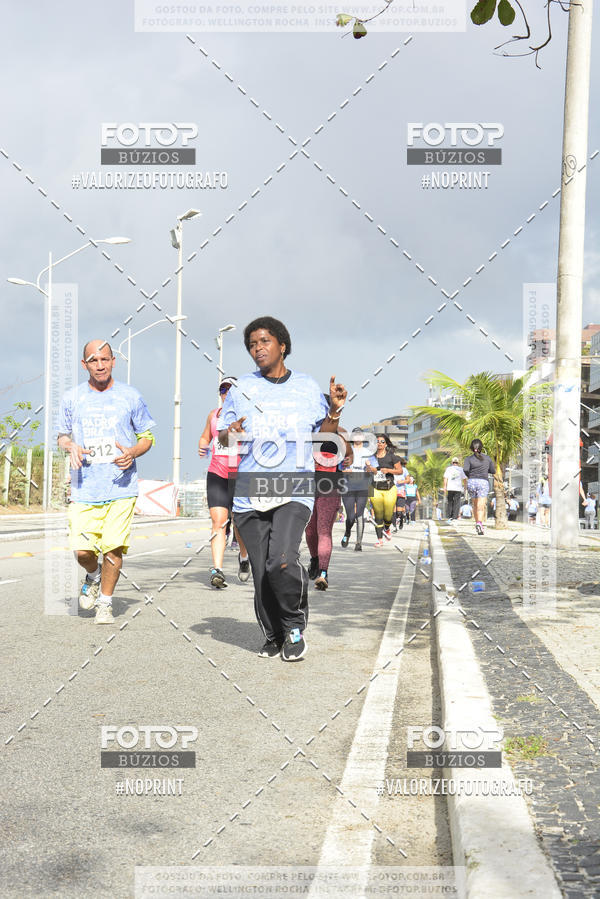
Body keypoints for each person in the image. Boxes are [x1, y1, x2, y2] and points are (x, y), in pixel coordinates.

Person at [219, 316, 347, 662]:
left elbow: (326, 433)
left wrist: (335, 410)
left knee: (282, 563)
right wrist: (229, 431)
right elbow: (222, 437)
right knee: (261, 574)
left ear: (282, 345)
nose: (257, 349)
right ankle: (274, 634)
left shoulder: (306, 387)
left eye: (264, 342)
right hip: (249, 493)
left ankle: (293, 626)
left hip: (294, 489)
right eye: (251, 345)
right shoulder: (241, 388)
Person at [57, 339, 156, 624]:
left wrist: (133, 452)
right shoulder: (72, 398)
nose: (99, 365)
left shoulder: (131, 396)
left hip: (121, 487)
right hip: (84, 487)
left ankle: (105, 603)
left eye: (104, 359)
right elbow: (62, 435)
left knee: (113, 547)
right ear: (84, 364)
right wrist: (70, 446)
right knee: (82, 551)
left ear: (113, 361)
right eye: (93, 360)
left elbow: (147, 436)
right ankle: (93, 574)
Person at [197, 377, 250, 588]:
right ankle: (217, 570)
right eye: (223, 389)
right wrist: (202, 445)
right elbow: (205, 437)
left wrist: (242, 433)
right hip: (217, 474)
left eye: (231, 389)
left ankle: (244, 558)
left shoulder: (248, 418)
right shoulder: (214, 416)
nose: (226, 393)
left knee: (240, 523)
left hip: (241, 476)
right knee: (219, 521)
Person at [305, 406, 351, 590]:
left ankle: (323, 573)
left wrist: (349, 460)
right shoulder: (306, 431)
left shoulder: (341, 433)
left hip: (331, 484)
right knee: (309, 531)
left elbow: (350, 456)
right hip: (306, 484)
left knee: (323, 530)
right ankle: (315, 559)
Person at [340, 429, 376, 550]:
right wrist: (345, 471)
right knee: (350, 516)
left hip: (363, 486)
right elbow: (338, 469)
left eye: (360, 435)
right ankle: (347, 533)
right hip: (348, 486)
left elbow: (375, 470)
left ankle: (358, 543)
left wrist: (369, 466)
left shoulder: (368, 452)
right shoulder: (346, 451)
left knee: (359, 514)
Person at [366, 435, 405, 546]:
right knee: (378, 515)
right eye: (377, 441)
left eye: (382, 441)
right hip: (374, 488)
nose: (379, 443)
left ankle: (387, 528)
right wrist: (369, 468)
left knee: (388, 515)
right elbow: (368, 472)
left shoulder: (392, 457)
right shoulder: (371, 457)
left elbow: (400, 471)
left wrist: (388, 470)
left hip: (389, 488)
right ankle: (380, 540)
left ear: (386, 444)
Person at [463, 439, 496, 535]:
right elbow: (493, 471)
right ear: (481, 448)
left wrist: (471, 475)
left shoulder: (468, 459)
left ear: (471, 448)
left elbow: (465, 469)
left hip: (472, 482)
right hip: (483, 482)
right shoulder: (487, 458)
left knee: (475, 505)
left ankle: (477, 523)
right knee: (481, 506)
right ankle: (479, 523)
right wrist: (485, 470)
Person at [443, 457, 467, 522]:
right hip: (458, 488)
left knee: (450, 502)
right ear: (458, 463)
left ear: (452, 462)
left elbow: (445, 478)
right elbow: (464, 479)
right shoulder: (461, 469)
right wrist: (465, 487)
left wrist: (444, 487)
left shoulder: (448, 469)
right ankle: (455, 517)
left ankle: (450, 516)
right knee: (457, 502)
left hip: (450, 487)